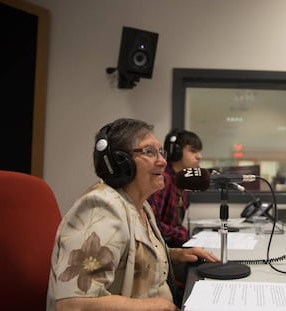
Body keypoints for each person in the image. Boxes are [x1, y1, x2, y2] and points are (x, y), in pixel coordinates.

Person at [46, 118, 218, 311]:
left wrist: (175, 255)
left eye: (161, 152)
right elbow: (71, 305)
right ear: (120, 162)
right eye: (149, 152)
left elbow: (129, 254)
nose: (162, 161)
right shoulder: (102, 207)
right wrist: (157, 306)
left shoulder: (141, 207)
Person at [147, 129, 203, 248]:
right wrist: (181, 234)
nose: (199, 156)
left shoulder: (180, 181)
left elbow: (173, 224)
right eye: (193, 151)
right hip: (161, 250)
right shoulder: (163, 180)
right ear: (176, 152)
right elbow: (151, 224)